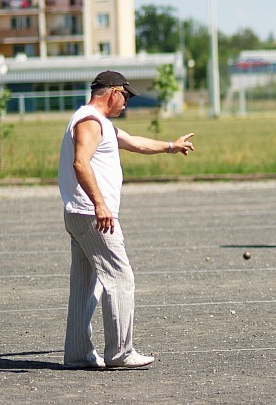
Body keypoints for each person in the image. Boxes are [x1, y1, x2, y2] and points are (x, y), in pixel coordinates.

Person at [57, 70, 195, 368]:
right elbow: (80, 163)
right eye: (126, 96)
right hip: (94, 215)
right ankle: (120, 352)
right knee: (120, 278)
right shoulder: (90, 122)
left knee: (85, 285)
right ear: (112, 92)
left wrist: (171, 145)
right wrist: (100, 205)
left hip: (81, 213)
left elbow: (136, 142)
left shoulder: (98, 122)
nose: (127, 103)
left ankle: (78, 353)